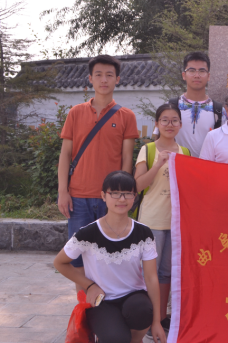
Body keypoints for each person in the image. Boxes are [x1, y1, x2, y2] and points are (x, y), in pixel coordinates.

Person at [53, 171, 166, 343]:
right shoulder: (88, 233)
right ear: (103, 196)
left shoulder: (143, 233)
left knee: (143, 311)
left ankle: (135, 340)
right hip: (102, 300)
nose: (122, 199)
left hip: (134, 297)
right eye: (115, 193)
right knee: (115, 338)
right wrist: (89, 285)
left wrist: (156, 322)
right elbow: (59, 263)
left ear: (134, 197)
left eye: (127, 193)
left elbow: (151, 278)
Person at [57, 54, 139, 289]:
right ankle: (84, 306)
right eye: (99, 75)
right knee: (78, 259)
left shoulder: (126, 116)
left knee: (111, 254)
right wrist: (63, 191)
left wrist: (122, 195)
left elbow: (126, 159)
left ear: (117, 79)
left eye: (109, 75)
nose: (104, 80)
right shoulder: (76, 113)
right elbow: (65, 155)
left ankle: (110, 305)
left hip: (110, 198)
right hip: (78, 197)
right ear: (90, 79)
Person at [134, 103, 188, 331]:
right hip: (152, 221)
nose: (169, 124)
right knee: (150, 273)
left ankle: (161, 316)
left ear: (180, 125)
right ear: (156, 123)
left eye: (174, 120)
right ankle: (147, 319)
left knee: (167, 273)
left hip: (175, 223)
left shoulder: (185, 152)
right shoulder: (148, 150)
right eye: (164, 120)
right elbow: (137, 185)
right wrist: (158, 165)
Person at [160, 51, 225, 158]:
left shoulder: (219, 111)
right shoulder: (170, 107)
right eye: (191, 71)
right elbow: (159, 140)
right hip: (175, 165)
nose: (197, 75)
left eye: (202, 71)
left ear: (208, 76)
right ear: (184, 75)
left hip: (207, 166)